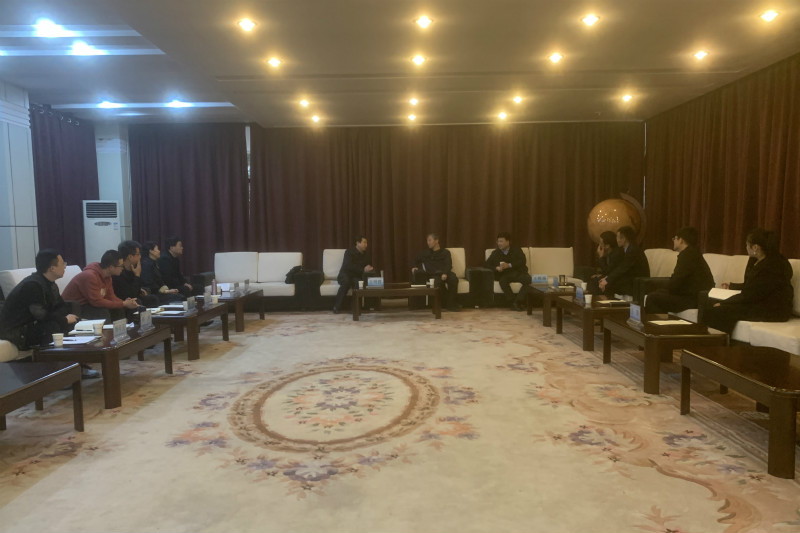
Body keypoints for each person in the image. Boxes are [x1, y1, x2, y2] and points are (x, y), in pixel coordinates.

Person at [702, 228, 793, 334]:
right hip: (760, 302)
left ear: (755, 247)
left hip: (773, 309)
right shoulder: (760, 261)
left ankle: (716, 341)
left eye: (747, 245)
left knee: (717, 311)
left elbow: (750, 294)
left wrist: (724, 303)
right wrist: (732, 286)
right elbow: (753, 286)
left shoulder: (773, 266)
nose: (746, 247)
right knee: (713, 307)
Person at [644, 227, 714, 314]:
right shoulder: (693, 253)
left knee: (652, 298)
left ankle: (658, 322)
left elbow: (676, 281)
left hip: (692, 299)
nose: (673, 241)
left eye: (675, 238)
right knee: (658, 293)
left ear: (681, 240)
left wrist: (663, 289)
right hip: (694, 296)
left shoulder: (687, 255)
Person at [62, 249, 139, 322]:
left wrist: (125, 302)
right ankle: (108, 332)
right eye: (121, 266)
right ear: (111, 267)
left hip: (88, 304)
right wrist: (123, 304)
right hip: (73, 307)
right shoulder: (90, 276)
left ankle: (124, 330)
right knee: (102, 312)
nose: (123, 268)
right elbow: (96, 301)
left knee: (119, 308)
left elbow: (110, 297)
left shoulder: (108, 277)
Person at [411, 233, 461, 311]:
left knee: (454, 279)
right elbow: (415, 260)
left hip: (445, 272)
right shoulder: (425, 253)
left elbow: (449, 264)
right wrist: (414, 267)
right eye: (427, 241)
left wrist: (445, 273)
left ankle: (451, 304)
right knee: (437, 283)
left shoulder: (445, 252)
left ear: (436, 241)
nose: (428, 243)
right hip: (434, 275)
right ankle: (444, 304)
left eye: (430, 240)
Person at [599, 225, 650, 297]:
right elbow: (621, 268)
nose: (616, 240)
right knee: (606, 282)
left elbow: (623, 268)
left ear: (624, 239)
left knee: (609, 284)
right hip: (632, 279)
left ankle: (611, 304)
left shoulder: (633, 250)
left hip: (639, 282)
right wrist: (607, 278)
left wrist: (608, 280)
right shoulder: (627, 249)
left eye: (617, 237)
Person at [485, 232, 529, 311]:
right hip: (505, 274)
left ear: (508, 242)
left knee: (528, 279)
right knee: (503, 281)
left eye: (501, 241)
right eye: (498, 241)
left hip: (518, 272)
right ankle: (513, 302)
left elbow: (522, 261)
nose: (499, 243)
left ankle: (517, 302)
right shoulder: (495, 253)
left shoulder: (517, 250)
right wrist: (496, 268)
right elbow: (487, 265)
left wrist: (509, 265)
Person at [333, 236, 376, 314]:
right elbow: (348, 266)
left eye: (366, 243)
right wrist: (363, 269)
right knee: (346, 282)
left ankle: (355, 308)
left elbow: (367, 266)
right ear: (357, 243)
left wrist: (369, 268)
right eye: (364, 242)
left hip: (356, 276)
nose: (366, 245)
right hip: (345, 274)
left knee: (358, 283)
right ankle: (337, 306)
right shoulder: (349, 252)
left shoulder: (366, 255)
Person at [113, 240, 159, 311]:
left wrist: (140, 290)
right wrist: (137, 275)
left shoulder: (133, 268)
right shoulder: (119, 272)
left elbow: (136, 290)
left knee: (152, 299)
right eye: (138, 254)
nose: (140, 257)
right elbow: (131, 295)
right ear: (130, 256)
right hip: (124, 301)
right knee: (137, 302)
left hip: (134, 297)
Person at [587, 231, 622, 295]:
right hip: (609, 276)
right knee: (593, 277)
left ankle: (596, 299)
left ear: (607, 246)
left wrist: (601, 257)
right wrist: (600, 274)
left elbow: (608, 271)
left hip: (616, 279)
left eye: (601, 243)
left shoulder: (616, 254)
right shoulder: (608, 253)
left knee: (594, 281)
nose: (599, 245)